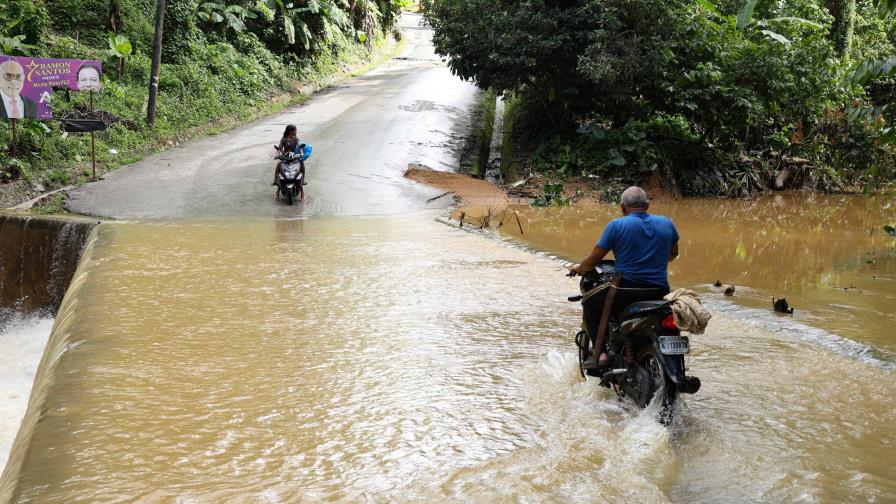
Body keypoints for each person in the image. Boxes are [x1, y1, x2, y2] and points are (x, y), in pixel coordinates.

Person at [568, 186, 679, 371]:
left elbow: (593, 259)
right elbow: (673, 254)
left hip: (625, 291)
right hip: (660, 291)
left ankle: (600, 354)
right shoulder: (667, 224)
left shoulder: (617, 225)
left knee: (589, 301)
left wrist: (578, 268)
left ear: (622, 207)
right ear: (647, 205)